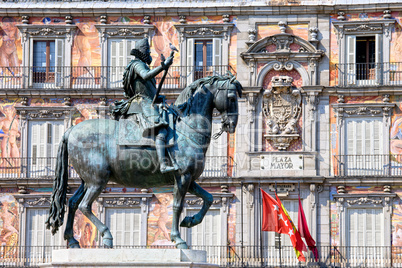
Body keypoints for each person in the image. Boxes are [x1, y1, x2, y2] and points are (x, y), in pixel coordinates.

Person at [121, 38, 176, 173]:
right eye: (147, 50)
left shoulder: (141, 64)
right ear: (141, 51)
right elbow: (145, 76)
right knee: (161, 130)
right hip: (142, 102)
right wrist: (163, 66)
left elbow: (149, 88)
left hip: (148, 101)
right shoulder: (137, 64)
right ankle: (163, 165)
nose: (149, 52)